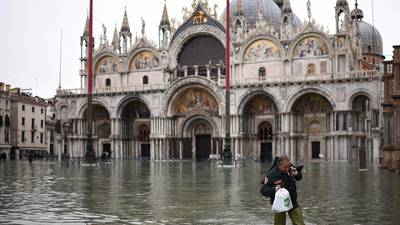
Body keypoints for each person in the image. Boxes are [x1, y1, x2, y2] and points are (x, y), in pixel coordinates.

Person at [261, 155, 305, 225]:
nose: (287, 169)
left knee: (299, 222)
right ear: (279, 166)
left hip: (293, 201)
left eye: (288, 166)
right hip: (279, 204)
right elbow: (263, 190)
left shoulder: (290, 167)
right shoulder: (271, 175)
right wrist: (274, 189)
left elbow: (299, 177)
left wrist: (296, 174)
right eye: (285, 167)